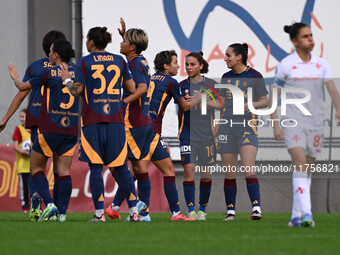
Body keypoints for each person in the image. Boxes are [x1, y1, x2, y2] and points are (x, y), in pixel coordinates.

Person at [60, 26, 139, 222]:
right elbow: (131, 88)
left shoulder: (85, 61)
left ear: (92, 42)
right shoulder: (119, 60)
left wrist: (66, 81)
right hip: (116, 121)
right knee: (121, 168)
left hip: (92, 121)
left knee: (95, 168)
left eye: (87, 39)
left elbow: (76, 91)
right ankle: (134, 213)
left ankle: (99, 215)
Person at [270, 22, 340, 227]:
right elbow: (274, 96)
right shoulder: (286, 64)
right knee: (300, 166)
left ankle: (295, 216)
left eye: (311, 35)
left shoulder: (321, 64)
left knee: (306, 170)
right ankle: (308, 214)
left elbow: (333, 91)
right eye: (305, 36)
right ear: (294, 41)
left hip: (316, 123)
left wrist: (338, 109)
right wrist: (276, 124)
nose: (311, 39)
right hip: (293, 123)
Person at [8, 39, 78, 222]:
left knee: (36, 167)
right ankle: (62, 214)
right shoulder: (78, 72)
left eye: (51, 52)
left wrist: (15, 77)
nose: (49, 55)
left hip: (49, 128)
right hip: (70, 130)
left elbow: (22, 87)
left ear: (56, 54)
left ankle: (49, 204)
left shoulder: (49, 72)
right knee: (64, 172)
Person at [105, 19, 152, 222]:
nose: (121, 43)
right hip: (142, 121)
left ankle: (138, 210)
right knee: (139, 169)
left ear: (132, 46)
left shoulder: (132, 63)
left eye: (124, 40)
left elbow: (141, 88)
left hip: (132, 123)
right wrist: (125, 34)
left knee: (116, 167)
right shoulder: (140, 60)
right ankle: (142, 212)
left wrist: (123, 101)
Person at [216, 43, 268, 221]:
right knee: (229, 172)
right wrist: (204, 101)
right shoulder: (225, 77)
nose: (226, 58)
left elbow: (265, 101)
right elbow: (221, 104)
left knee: (248, 169)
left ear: (239, 57)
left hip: (247, 127)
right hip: (226, 128)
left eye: (228, 55)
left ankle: (256, 210)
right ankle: (231, 213)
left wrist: (251, 105)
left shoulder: (255, 75)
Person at [178, 52, 219, 220]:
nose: (188, 67)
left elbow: (221, 104)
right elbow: (182, 107)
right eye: (186, 64)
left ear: (201, 66)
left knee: (206, 175)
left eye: (192, 64)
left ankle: (202, 210)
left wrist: (219, 125)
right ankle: (191, 210)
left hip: (207, 136)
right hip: (187, 134)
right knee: (189, 172)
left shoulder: (211, 84)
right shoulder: (180, 86)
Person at [12, 108, 31, 212]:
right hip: (23, 166)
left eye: (23, 117)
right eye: (20, 117)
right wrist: (22, 151)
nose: (21, 119)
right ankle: (25, 208)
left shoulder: (34, 129)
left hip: (33, 165)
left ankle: (36, 207)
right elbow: (15, 146)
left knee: (35, 188)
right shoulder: (19, 129)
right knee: (24, 188)